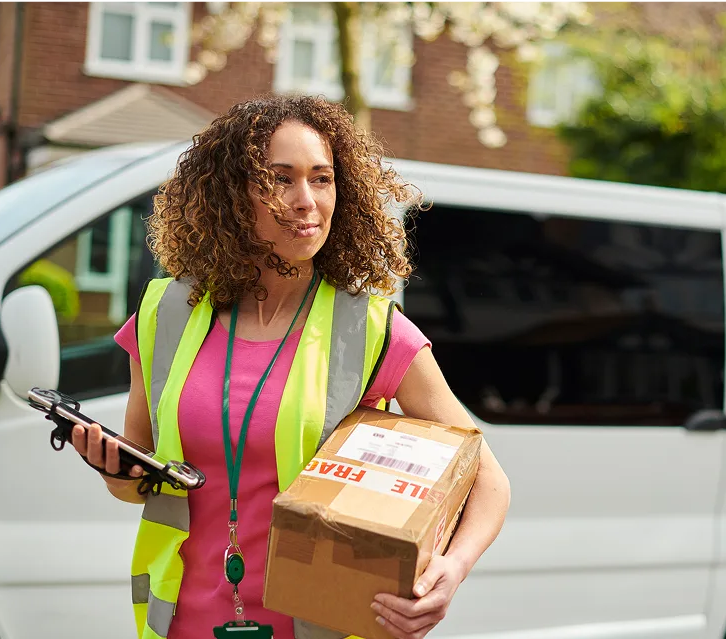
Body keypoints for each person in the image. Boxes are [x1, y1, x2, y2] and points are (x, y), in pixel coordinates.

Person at [69, 93, 511, 639]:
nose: (307, 200)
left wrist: (451, 568)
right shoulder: (165, 312)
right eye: (280, 179)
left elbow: (489, 481)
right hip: (180, 623)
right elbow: (140, 487)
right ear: (232, 196)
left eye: (321, 178)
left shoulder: (373, 328)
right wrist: (118, 471)